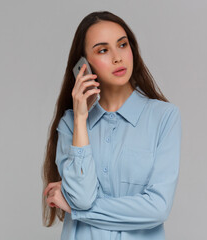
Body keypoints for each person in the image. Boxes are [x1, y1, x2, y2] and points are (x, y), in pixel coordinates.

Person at [41, 10, 182, 240]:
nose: (117, 57)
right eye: (103, 50)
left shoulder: (164, 117)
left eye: (123, 45)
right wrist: (80, 119)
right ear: (83, 64)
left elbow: (157, 208)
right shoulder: (70, 124)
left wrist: (76, 210)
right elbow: (83, 197)